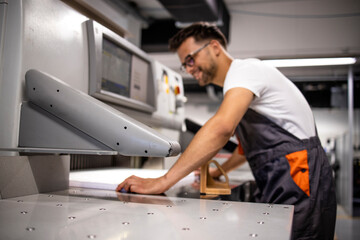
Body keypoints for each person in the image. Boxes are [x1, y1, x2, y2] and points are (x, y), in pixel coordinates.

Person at [116, 22, 337, 239]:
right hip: (285, 175)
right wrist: (220, 171)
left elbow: (221, 128)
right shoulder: (240, 84)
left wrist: (163, 181)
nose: (189, 68)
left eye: (191, 59)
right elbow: (246, 148)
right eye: (185, 65)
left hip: (299, 174)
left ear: (214, 47)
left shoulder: (245, 70)